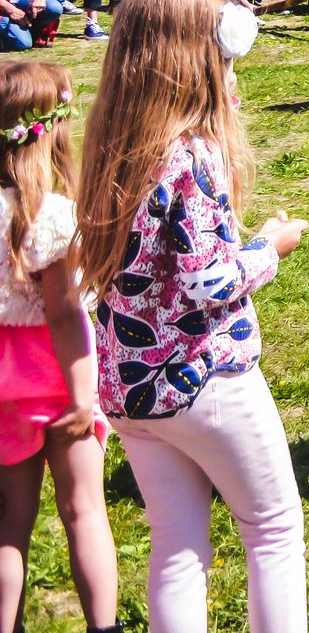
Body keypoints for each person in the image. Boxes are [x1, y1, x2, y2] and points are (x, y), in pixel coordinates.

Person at [75, 0, 309, 632]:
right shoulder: (189, 156)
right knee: (272, 527)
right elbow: (209, 281)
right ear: (197, 56)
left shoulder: (112, 148)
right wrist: (271, 247)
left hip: (130, 388)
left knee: (178, 548)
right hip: (203, 377)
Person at [0, 63, 119, 633]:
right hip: (58, 379)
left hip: (4, 388)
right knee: (84, 510)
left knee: (9, 524)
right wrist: (83, 395)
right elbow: (67, 313)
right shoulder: (52, 216)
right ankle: (104, 627)